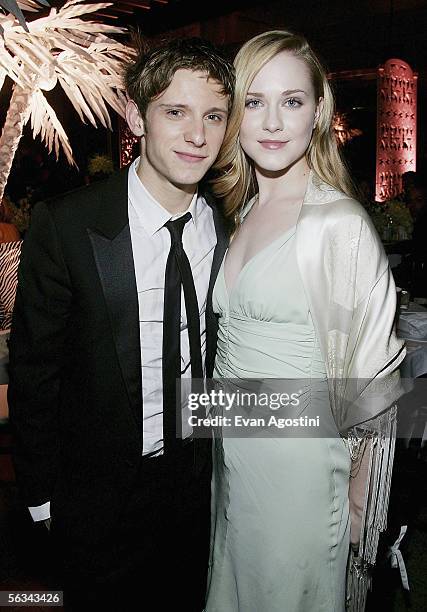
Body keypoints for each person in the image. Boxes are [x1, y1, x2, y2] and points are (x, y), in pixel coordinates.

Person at [8, 37, 234, 611]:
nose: (197, 135)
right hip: (97, 499)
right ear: (136, 115)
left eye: (213, 116)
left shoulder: (233, 229)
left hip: (201, 492)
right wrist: (40, 498)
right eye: (175, 112)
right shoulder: (67, 225)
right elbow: (37, 374)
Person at [204, 30, 405, 612]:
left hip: (299, 477)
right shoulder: (241, 211)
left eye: (291, 101)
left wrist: (361, 512)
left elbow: (375, 388)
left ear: (318, 112)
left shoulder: (335, 223)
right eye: (254, 101)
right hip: (234, 462)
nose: (272, 122)